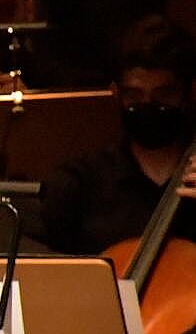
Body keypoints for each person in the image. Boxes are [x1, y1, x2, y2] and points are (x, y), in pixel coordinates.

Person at [39, 15, 196, 255]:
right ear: (116, 94)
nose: (148, 105)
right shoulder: (78, 185)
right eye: (134, 95)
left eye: (164, 95)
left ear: (189, 94)